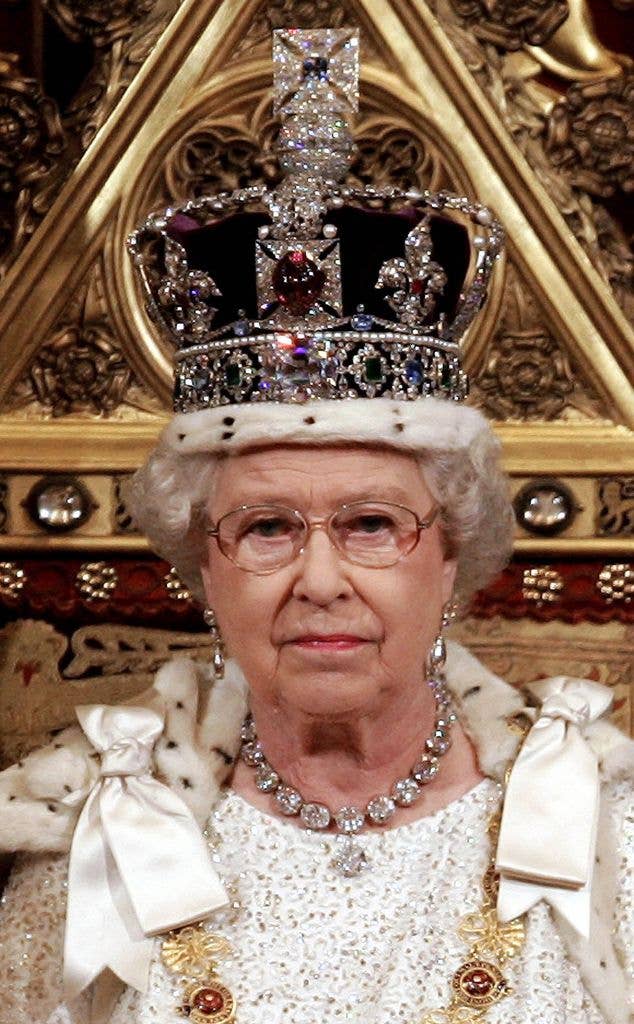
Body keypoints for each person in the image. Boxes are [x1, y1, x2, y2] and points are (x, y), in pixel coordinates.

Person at [0, 27, 632, 1024]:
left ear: (451, 555)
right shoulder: (95, 840)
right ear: (202, 565)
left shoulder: (600, 837)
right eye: (266, 529)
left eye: (372, 524)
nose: (321, 579)